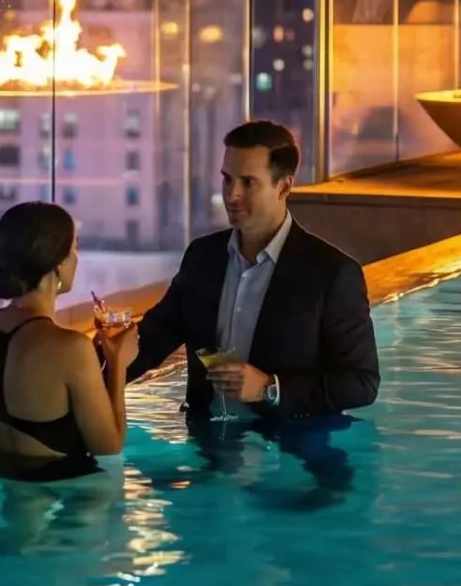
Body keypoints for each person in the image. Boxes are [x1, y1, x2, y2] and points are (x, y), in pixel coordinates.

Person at [129, 120, 380, 420]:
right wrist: (91, 361)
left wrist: (270, 389)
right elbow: (154, 339)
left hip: (288, 451)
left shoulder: (332, 273)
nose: (231, 195)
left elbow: (362, 383)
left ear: (284, 186)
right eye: (226, 179)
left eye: (248, 182)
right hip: (206, 445)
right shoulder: (203, 257)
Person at [0, 202, 135, 481]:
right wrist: (117, 364)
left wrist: (0, 421)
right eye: (73, 249)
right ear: (58, 264)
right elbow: (109, 451)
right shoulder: (72, 348)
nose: (77, 258)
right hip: (61, 511)